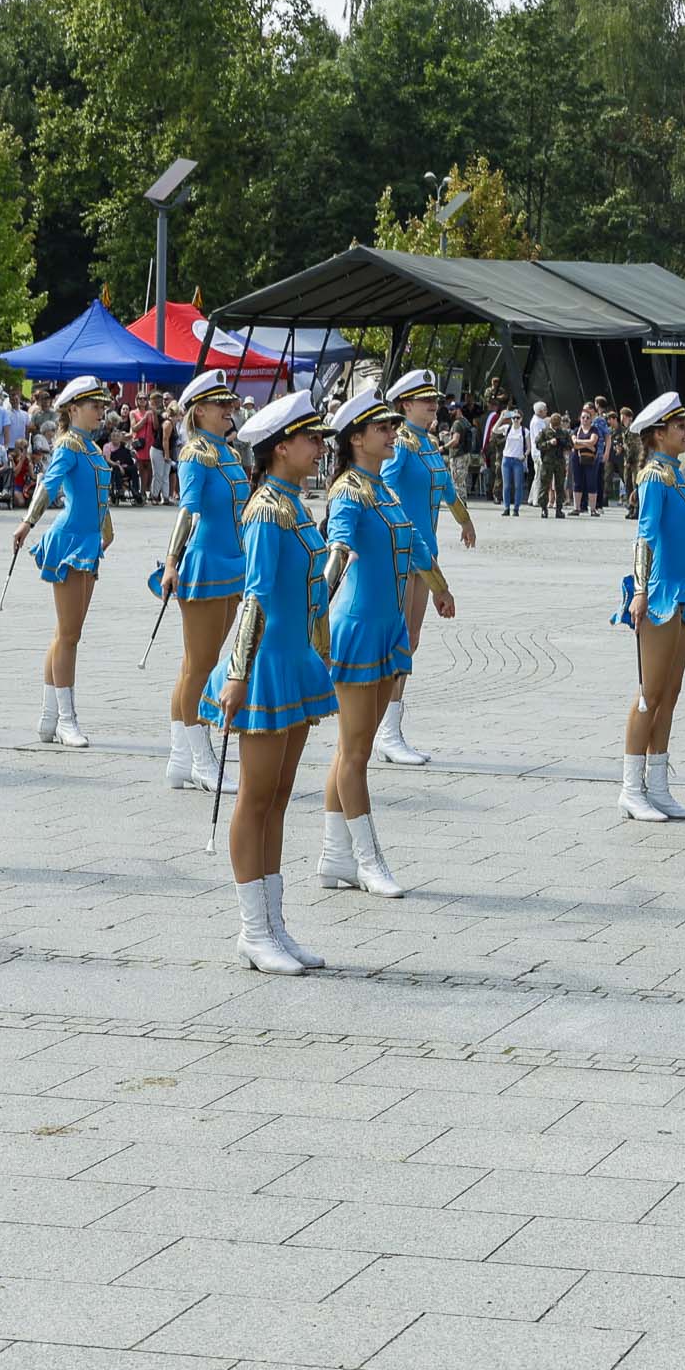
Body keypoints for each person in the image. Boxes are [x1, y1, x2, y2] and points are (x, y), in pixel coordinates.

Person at [204, 391, 337, 972]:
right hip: (261, 668)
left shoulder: (293, 504)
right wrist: (236, 675)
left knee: (279, 799)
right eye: (311, 439)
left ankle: (276, 927)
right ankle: (251, 930)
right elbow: (255, 596)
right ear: (281, 447)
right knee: (255, 797)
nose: (319, 448)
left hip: (292, 662)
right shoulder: (264, 510)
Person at [319, 390, 442, 899]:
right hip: (357, 627)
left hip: (386, 625)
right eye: (382, 428)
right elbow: (338, 546)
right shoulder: (349, 490)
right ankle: (368, 859)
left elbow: (413, 543)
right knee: (354, 752)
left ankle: (333, 856)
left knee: (357, 748)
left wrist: (440, 587)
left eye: (392, 426)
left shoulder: (381, 487)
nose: (392, 433)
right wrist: (314, 614)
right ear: (356, 439)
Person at [376, 369, 474, 766]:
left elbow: (446, 488)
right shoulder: (400, 446)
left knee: (410, 639)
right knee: (399, 639)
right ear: (405, 405)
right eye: (424, 399)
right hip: (402, 553)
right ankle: (384, 730)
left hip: (425, 552)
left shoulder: (428, 444)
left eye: (434, 398)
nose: (433, 404)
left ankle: (390, 727)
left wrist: (464, 519)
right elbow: (381, 489)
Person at [160, 370, 249, 793]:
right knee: (201, 666)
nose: (228, 409)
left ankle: (180, 758)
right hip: (206, 565)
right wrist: (172, 560)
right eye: (220, 404)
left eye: (229, 403)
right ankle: (200, 758)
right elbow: (188, 510)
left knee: (197, 663)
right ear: (200, 411)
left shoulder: (226, 452)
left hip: (233, 564)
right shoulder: (196, 453)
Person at [616, 390, 685, 822]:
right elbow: (645, 534)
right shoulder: (654, 476)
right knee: (650, 692)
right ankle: (631, 789)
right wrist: (639, 590)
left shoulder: (677, 475)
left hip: (681, 589)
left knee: (670, 693)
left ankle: (659, 786)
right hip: (658, 591)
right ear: (658, 433)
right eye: (680, 426)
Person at [16, 374, 117, 749]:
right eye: (95, 405)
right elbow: (49, 484)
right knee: (70, 636)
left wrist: (107, 529)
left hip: (88, 542)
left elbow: (99, 495)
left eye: (102, 405)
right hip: (71, 542)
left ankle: (48, 717)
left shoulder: (90, 447)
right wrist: (28, 522)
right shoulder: (69, 445)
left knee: (64, 633)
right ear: (73, 409)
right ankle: (66, 720)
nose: (101, 411)